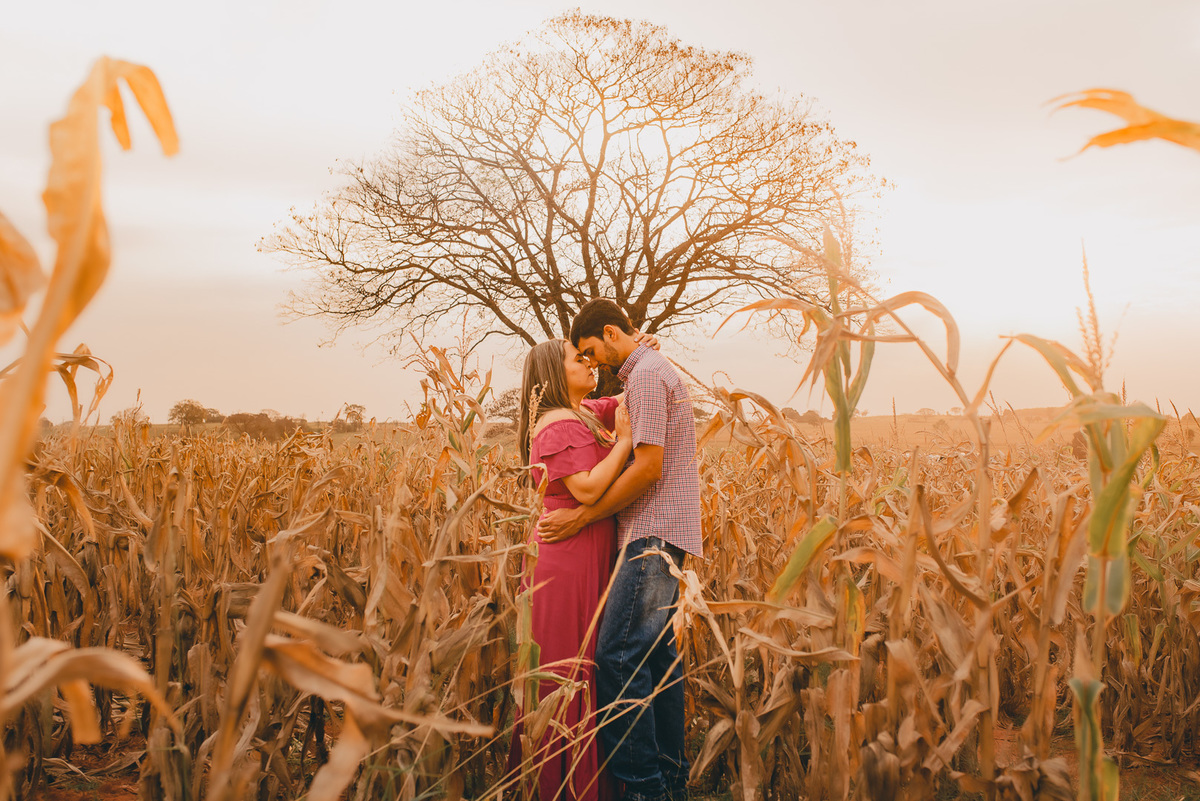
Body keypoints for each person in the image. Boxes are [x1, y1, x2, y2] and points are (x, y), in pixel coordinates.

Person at [540, 299, 703, 801]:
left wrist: (584, 516)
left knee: (617, 658)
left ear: (611, 333)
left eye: (591, 350)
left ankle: (644, 789)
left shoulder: (647, 376)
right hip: (659, 534)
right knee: (656, 659)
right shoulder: (644, 373)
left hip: (651, 534)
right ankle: (669, 782)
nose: (593, 362)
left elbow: (649, 468)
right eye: (582, 358)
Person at [510, 331, 654, 801]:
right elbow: (588, 489)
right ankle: (561, 785)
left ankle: (588, 780)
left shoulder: (582, 412)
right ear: (555, 372)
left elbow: (624, 400)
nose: (591, 362)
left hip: (586, 549)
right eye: (580, 358)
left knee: (589, 660)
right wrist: (625, 443)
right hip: (565, 559)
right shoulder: (555, 425)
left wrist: (639, 350)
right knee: (567, 667)